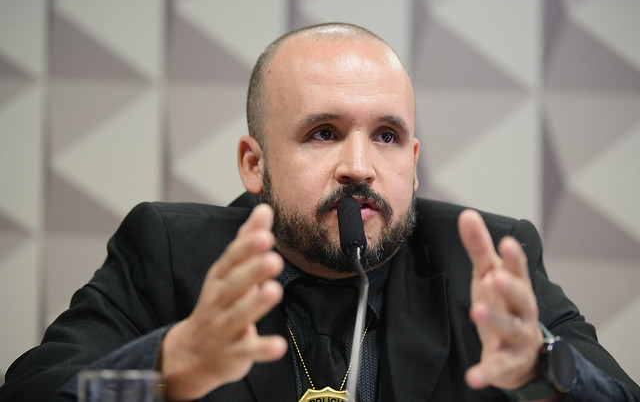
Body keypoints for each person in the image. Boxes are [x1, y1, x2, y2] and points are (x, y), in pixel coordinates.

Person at [0, 22, 638, 402]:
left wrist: (542, 372)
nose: (359, 166)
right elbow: (33, 391)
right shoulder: (168, 251)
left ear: (414, 162)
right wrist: (164, 372)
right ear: (254, 163)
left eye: (387, 136)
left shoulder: (489, 263)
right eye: (323, 133)